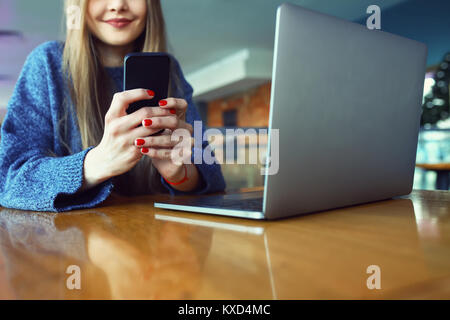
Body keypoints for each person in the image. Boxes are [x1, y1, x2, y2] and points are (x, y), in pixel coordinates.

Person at [0, 0, 226, 212]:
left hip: (155, 240)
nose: (118, 5)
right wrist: (99, 162)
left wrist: (180, 175)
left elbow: (214, 177)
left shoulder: (171, 71)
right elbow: (9, 181)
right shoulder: (48, 63)